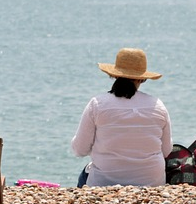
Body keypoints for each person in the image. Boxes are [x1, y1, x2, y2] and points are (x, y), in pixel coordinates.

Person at [71, 48, 173, 187]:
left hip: (103, 183)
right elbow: (166, 151)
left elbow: (79, 150)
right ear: (142, 79)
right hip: (152, 183)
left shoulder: (97, 104)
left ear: (114, 75)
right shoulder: (158, 106)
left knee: (85, 175)